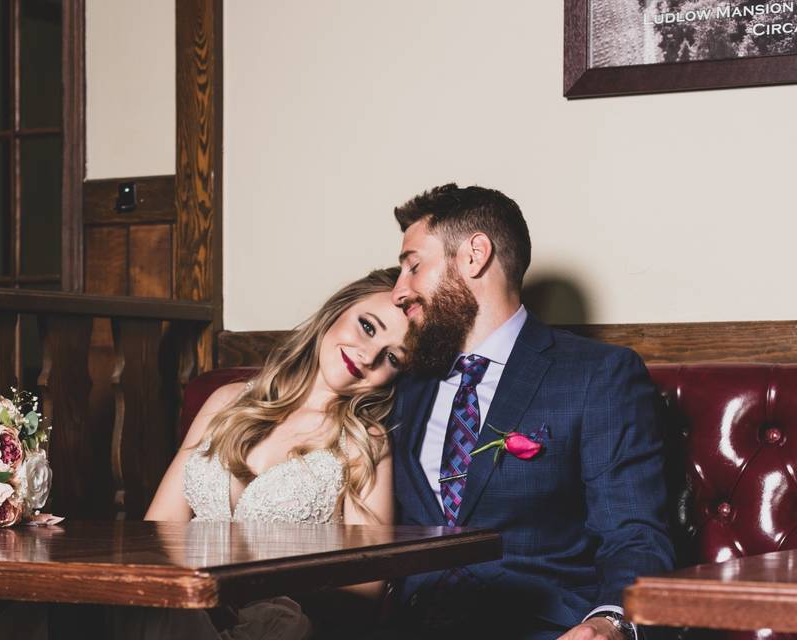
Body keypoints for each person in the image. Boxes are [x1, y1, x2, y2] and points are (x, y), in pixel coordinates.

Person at [387, 184, 674, 640]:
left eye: (413, 266)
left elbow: (633, 535)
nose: (399, 291)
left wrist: (611, 622)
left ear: (474, 255)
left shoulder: (598, 375)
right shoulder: (404, 381)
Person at [143, 266, 409, 639]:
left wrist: (251, 587)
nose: (368, 356)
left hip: (281, 623)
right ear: (337, 310)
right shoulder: (226, 401)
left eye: (392, 358)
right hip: (185, 604)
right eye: (367, 326)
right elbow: (156, 530)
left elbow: (369, 585)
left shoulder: (366, 442)